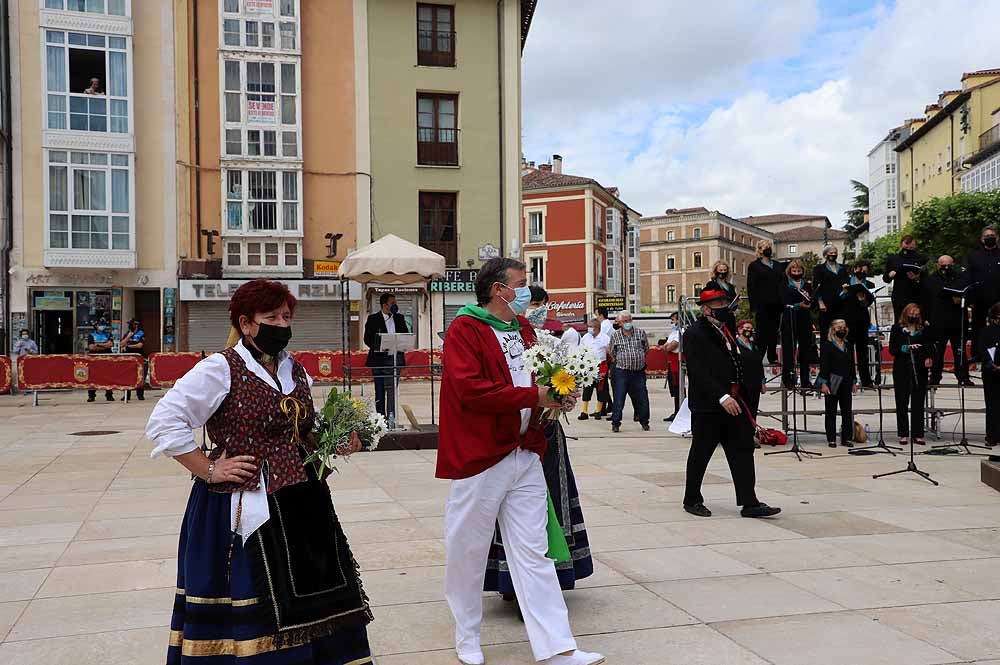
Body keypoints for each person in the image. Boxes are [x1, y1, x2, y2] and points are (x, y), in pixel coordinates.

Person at [145, 279, 374, 665]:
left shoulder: (296, 371)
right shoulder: (220, 368)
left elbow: (301, 433)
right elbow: (164, 421)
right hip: (246, 507)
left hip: (304, 504)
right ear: (246, 323)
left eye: (286, 316)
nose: (281, 324)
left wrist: (337, 441)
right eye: (271, 317)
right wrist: (209, 468)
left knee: (314, 597)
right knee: (261, 597)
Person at [436, 257, 604, 665]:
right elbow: (471, 390)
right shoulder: (465, 329)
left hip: (524, 452)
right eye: (522, 284)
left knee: (534, 553)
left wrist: (559, 393)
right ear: (499, 289)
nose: (527, 292)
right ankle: (467, 637)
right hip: (480, 456)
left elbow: (540, 377)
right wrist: (535, 397)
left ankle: (557, 647)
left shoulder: (524, 329)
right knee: (468, 550)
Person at [485, 288, 594, 619]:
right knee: (510, 509)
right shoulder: (491, 336)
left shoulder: (540, 338)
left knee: (547, 503)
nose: (533, 310)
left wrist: (563, 394)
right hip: (509, 435)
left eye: (537, 304)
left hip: (544, 434)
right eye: (528, 301)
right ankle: (512, 584)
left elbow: (559, 376)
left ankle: (543, 580)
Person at [681, 289, 781, 519]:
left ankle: (750, 502)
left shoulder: (725, 330)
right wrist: (721, 396)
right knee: (701, 452)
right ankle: (692, 499)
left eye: (725, 302)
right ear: (706, 308)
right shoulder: (694, 333)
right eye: (718, 303)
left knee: (743, 450)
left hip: (735, 401)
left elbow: (736, 361)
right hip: (709, 405)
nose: (724, 307)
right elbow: (698, 371)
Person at [889, 303, 936, 446]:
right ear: (905, 313)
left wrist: (929, 357)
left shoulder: (923, 329)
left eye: (916, 314)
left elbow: (930, 345)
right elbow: (892, 349)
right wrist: (906, 348)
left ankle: (918, 434)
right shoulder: (897, 329)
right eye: (911, 313)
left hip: (919, 369)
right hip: (902, 368)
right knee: (902, 402)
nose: (914, 316)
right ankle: (903, 434)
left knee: (918, 402)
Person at [926, 255, 972, 386]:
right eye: (942, 265)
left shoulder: (961, 277)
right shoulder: (932, 279)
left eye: (948, 265)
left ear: (953, 264)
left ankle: (963, 376)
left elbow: (966, 292)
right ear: (937, 265)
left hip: (957, 320)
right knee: (937, 352)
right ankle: (935, 377)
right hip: (938, 320)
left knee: (960, 351)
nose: (945, 268)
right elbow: (929, 297)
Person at [364, 292, 409, 421]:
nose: (396, 305)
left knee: (392, 392)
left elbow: (405, 335)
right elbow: (367, 339)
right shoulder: (373, 319)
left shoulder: (399, 318)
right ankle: (381, 421)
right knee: (380, 391)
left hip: (395, 359)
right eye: (393, 303)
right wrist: (380, 346)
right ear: (385, 305)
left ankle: (391, 420)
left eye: (396, 303)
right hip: (379, 361)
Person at [607, 311, 650, 433]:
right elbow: (612, 352)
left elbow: (646, 349)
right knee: (619, 397)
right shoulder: (615, 336)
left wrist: (638, 358)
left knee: (642, 397)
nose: (628, 323)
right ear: (620, 323)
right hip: (622, 371)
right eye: (625, 321)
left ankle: (644, 421)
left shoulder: (640, 333)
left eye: (629, 320)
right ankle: (616, 423)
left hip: (638, 372)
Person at [817, 320, 856, 448]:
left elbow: (851, 365)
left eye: (844, 327)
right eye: (839, 327)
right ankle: (831, 438)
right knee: (831, 411)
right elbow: (824, 365)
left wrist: (854, 381)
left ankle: (846, 438)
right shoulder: (827, 345)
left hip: (846, 380)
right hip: (832, 380)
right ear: (833, 329)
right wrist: (824, 383)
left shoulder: (848, 345)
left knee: (847, 411)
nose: (842, 329)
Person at [780, 260, 817, 391]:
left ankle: (805, 381)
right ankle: (788, 379)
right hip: (790, 318)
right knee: (789, 350)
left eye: (799, 271)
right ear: (790, 272)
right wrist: (797, 305)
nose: (796, 273)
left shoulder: (807, 285)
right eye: (794, 271)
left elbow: (813, 301)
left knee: (805, 350)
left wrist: (809, 302)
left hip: (805, 319)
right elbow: (782, 302)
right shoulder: (785, 284)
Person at [747, 239, 784, 364]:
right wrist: (753, 306)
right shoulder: (754, 266)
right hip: (762, 304)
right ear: (759, 250)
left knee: (774, 331)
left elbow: (782, 283)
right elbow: (751, 286)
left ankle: (772, 356)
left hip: (777, 304)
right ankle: (759, 355)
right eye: (764, 247)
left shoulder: (778, 265)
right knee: (762, 332)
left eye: (769, 246)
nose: (767, 249)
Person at [968, 225, 1000, 360]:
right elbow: (969, 277)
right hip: (979, 297)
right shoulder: (974, 255)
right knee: (977, 326)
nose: (989, 238)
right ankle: (977, 354)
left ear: (997, 238)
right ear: (982, 239)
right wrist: (970, 299)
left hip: (998, 297)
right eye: (986, 237)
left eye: (992, 236)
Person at [844, 260, 877, 388]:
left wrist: (863, 300)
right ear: (855, 269)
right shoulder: (847, 281)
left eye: (865, 271)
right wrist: (845, 292)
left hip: (862, 320)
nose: (862, 272)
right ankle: (851, 379)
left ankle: (866, 379)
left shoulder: (869, 284)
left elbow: (868, 303)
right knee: (848, 351)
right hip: (847, 319)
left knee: (863, 351)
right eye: (860, 270)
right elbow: (841, 299)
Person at [883, 235, 929, 320]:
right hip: (899, 296)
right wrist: (891, 274)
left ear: (915, 246)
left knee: (916, 320)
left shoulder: (921, 258)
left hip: (916, 295)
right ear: (901, 244)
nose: (908, 247)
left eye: (911, 245)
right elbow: (885, 278)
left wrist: (917, 278)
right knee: (899, 320)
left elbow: (926, 278)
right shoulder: (893, 259)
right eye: (906, 244)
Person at [812, 245, 849, 335]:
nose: (833, 255)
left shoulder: (843, 268)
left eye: (835, 253)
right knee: (826, 331)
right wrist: (820, 302)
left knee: (841, 331)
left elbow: (847, 281)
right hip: (826, 305)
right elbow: (816, 286)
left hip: (841, 303)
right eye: (831, 253)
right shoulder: (819, 269)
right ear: (825, 255)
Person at [977, 302, 1000, 446]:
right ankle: (991, 435)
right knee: (991, 404)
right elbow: (981, 349)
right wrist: (991, 363)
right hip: (991, 371)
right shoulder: (985, 331)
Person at [578, 318, 610, 420]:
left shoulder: (605, 338)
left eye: (590, 327)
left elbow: (609, 352)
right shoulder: (586, 337)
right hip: (588, 366)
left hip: (601, 367)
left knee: (601, 389)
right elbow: (581, 350)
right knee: (587, 388)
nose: (588, 328)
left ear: (596, 328)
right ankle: (584, 411)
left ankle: (598, 411)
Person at [734, 319, 766, 420]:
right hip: (742, 385)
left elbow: (759, 365)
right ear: (739, 330)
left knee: (753, 411)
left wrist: (762, 382)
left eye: (751, 329)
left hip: (755, 384)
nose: (749, 330)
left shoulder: (754, 346)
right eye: (747, 328)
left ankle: (751, 433)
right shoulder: (735, 345)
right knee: (742, 412)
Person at [705, 261, 738, 334]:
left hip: (729, 317)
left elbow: (734, 299)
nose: (723, 272)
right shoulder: (711, 284)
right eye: (720, 270)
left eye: (725, 270)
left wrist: (736, 302)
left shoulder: (731, 286)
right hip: (717, 316)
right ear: (715, 271)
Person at [86, 319, 115, 402]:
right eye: (100, 324)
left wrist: (98, 344)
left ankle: (109, 395)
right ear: (96, 326)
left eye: (103, 324)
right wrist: (104, 345)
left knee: (108, 376)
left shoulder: (108, 334)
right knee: (93, 377)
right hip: (94, 358)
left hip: (107, 357)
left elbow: (110, 344)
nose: (102, 326)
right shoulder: (91, 335)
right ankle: (91, 396)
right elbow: (91, 347)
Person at [660, 312, 682, 422]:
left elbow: (671, 346)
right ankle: (676, 411)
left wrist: (667, 347)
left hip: (677, 363)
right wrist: (667, 347)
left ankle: (680, 412)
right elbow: (665, 346)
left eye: (673, 320)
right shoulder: (674, 332)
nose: (672, 323)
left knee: (679, 388)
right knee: (674, 389)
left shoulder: (681, 332)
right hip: (671, 363)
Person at [121, 318, 146, 401]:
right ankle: (126, 395)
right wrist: (128, 337)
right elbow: (122, 344)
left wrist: (129, 346)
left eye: (131, 324)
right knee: (127, 376)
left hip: (138, 357)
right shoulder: (127, 333)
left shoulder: (141, 333)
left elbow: (140, 345)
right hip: (128, 357)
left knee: (140, 375)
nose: (130, 326)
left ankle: (140, 394)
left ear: (136, 325)